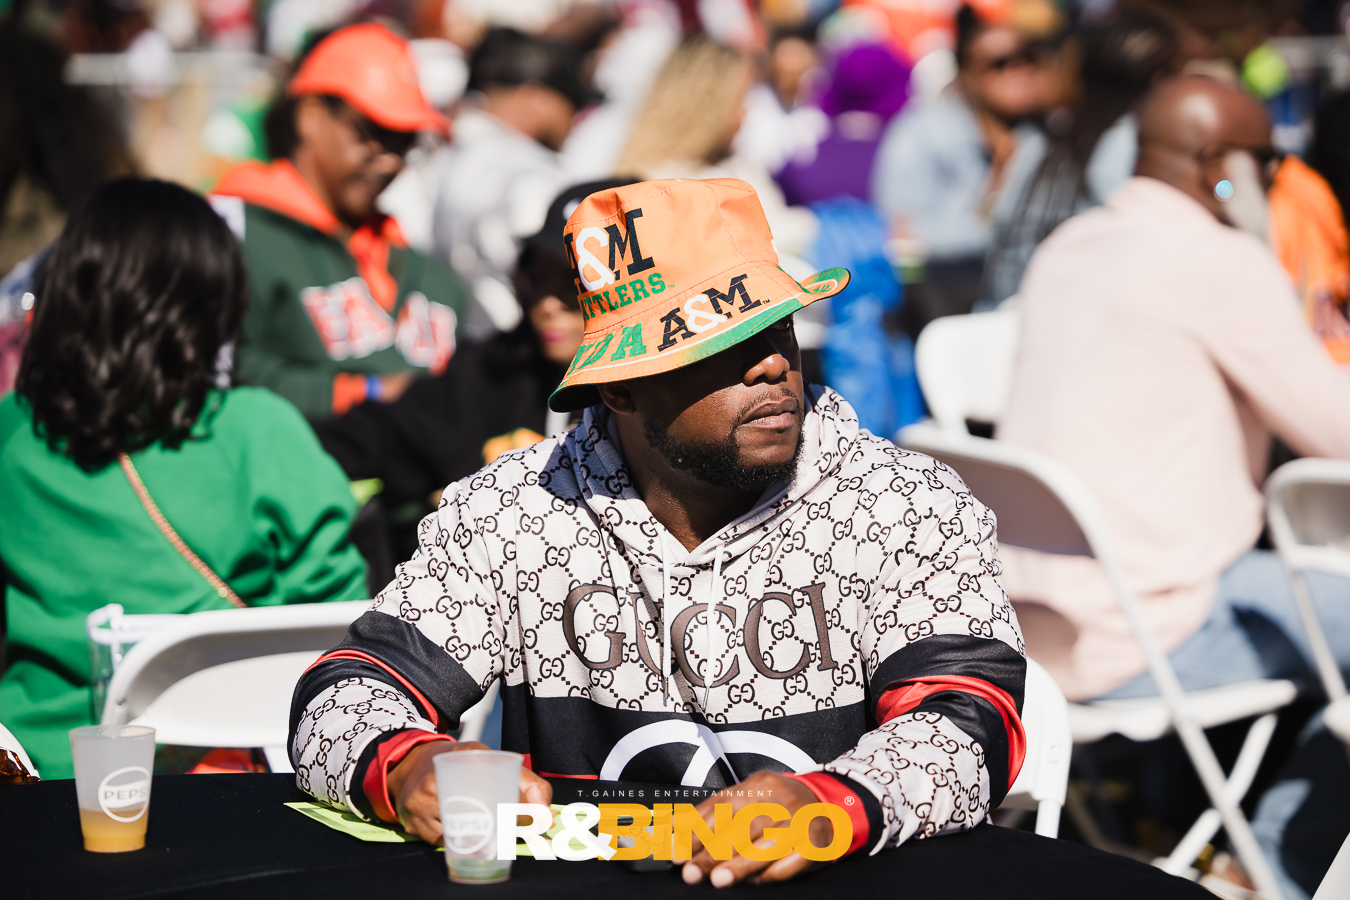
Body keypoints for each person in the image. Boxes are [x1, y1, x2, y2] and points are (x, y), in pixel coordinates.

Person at [289, 178, 1027, 885]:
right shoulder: (515, 510)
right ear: (618, 386)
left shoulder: (902, 504)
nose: (774, 363)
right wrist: (407, 767)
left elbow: (970, 722)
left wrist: (831, 804)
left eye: (779, 327)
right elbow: (345, 694)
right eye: (723, 343)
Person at [996, 76, 1350, 898]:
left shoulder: (1069, 246)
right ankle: (1267, 867)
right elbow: (1337, 436)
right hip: (1149, 632)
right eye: (1269, 163)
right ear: (1221, 167)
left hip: (1032, 630)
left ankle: (1191, 823)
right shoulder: (1219, 260)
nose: (1279, 180)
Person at [0, 178, 368, 779]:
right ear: (212, 305)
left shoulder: (13, 430)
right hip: (234, 776)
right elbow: (339, 620)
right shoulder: (261, 428)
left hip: (39, 774)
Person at [310, 179, 628, 568]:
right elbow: (372, 436)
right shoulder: (493, 374)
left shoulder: (668, 397)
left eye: (575, 283)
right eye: (537, 278)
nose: (547, 304)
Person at [211, 23, 468, 421]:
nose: (389, 160)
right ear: (310, 116)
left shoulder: (425, 270)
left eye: (404, 143)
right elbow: (220, 376)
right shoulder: (233, 231)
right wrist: (361, 392)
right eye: (371, 133)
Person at [871, 0, 1062, 336]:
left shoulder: (1049, 134)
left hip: (1038, 311)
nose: (1019, 72)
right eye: (999, 63)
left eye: (1029, 58)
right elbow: (902, 238)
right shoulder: (919, 133)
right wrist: (992, 212)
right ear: (966, 73)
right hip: (943, 314)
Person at [979, 9, 1177, 308]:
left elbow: (1000, 245)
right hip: (1080, 318)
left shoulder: (1039, 145)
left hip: (1011, 315)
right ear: (1158, 80)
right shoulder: (1128, 149)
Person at [431, 27, 592, 338]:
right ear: (534, 97)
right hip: (522, 345)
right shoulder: (531, 172)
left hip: (456, 340)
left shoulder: (437, 155)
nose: (575, 119)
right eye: (571, 102)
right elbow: (555, 271)